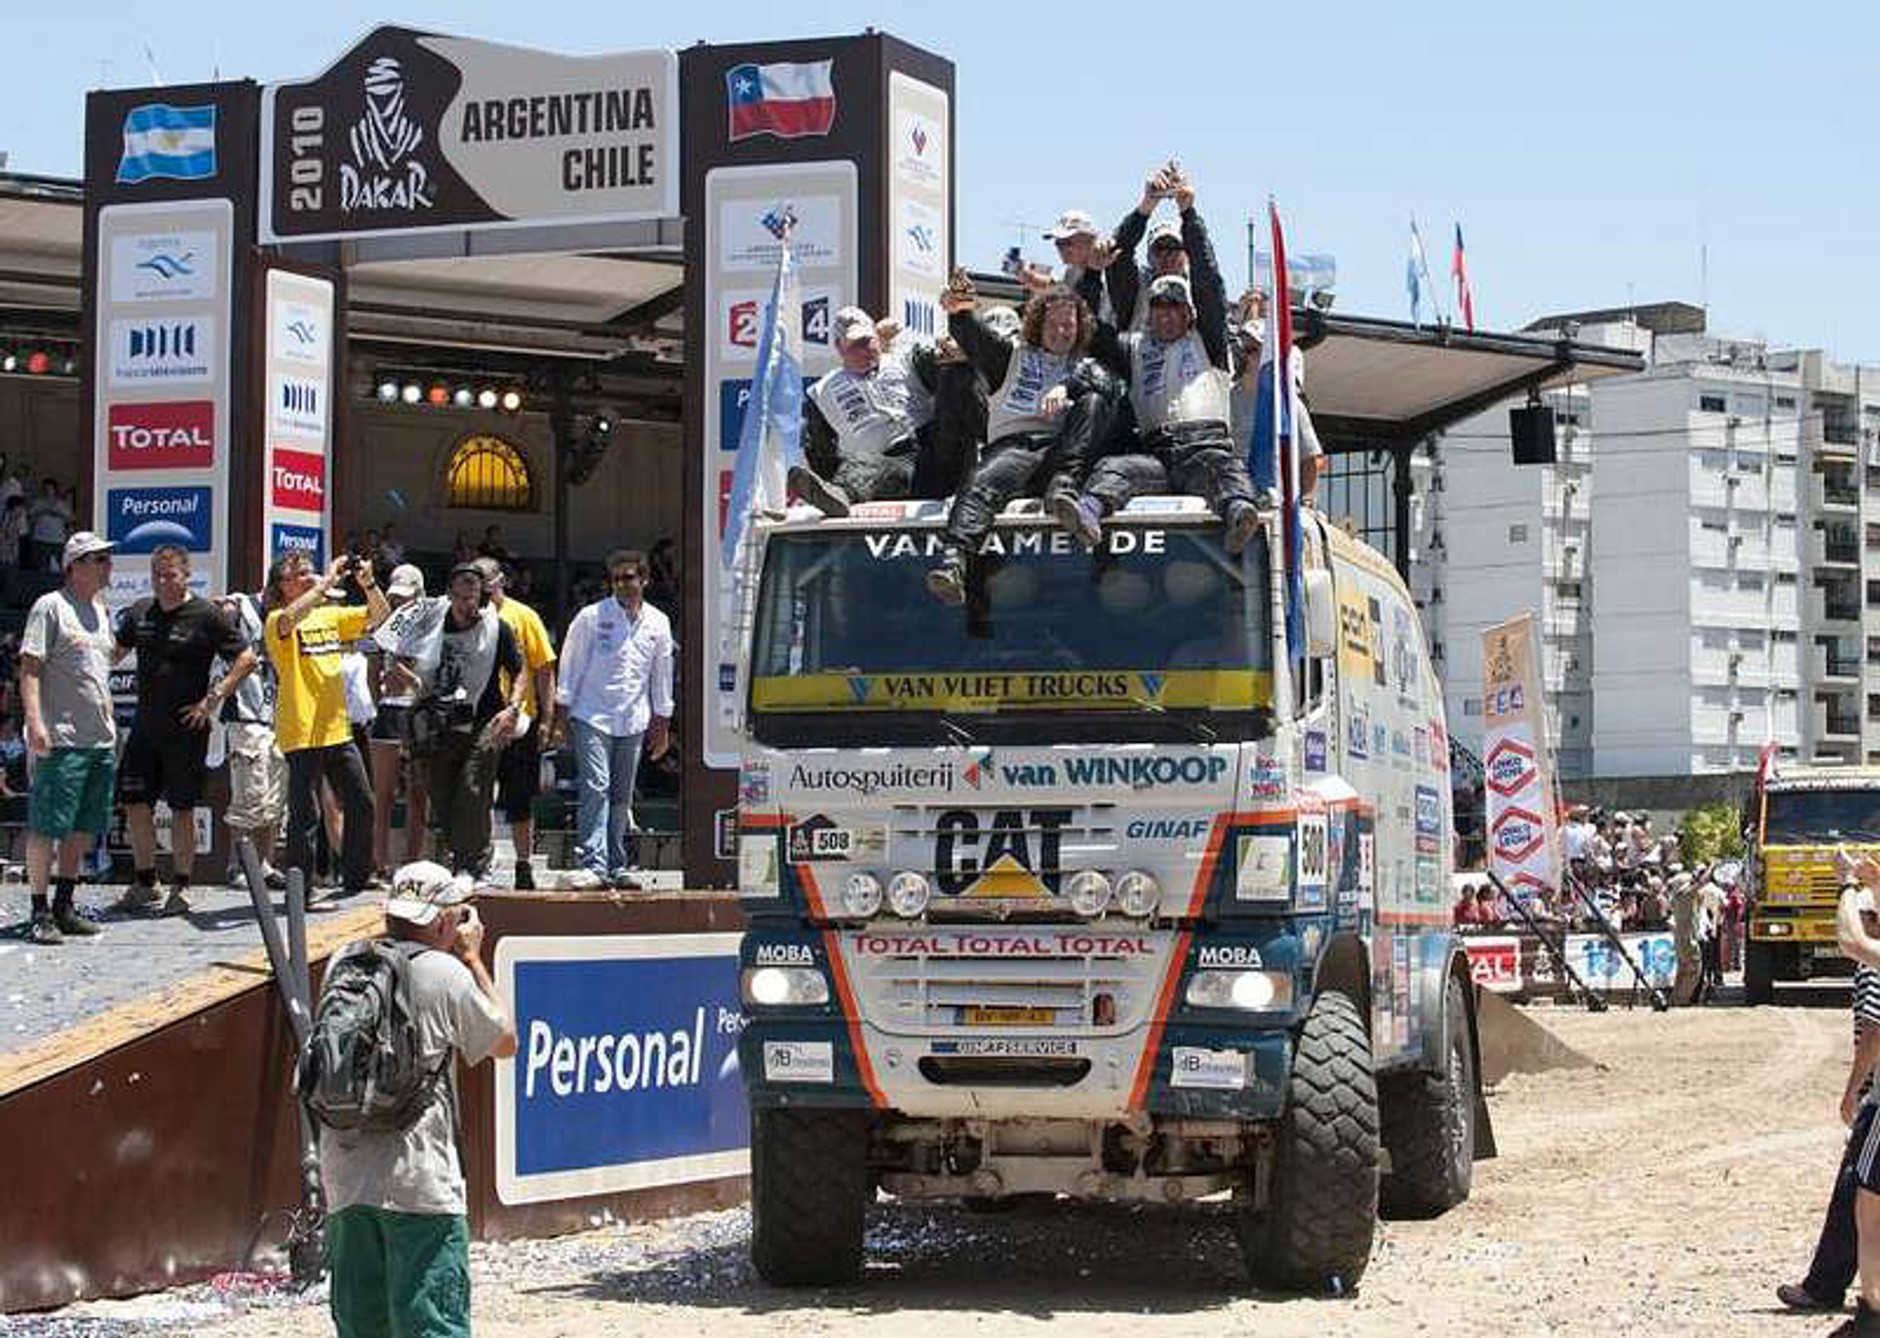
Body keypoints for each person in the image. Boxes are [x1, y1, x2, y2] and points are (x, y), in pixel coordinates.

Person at [319, 860, 517, 1338]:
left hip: (344, 1175)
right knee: (432, 1324)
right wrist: (473, 957)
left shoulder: (343, 962)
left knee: (362, 1326)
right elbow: (505, 1041)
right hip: (419, 1179)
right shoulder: (445, 973)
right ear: (446, 920)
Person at [1069, 177, 1261, 555]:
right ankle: (1087, 515)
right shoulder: (1134, 346)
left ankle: (1240, 516)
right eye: (1158, 308)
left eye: (1175, 307)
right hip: (1155, 453)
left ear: (1190, 313)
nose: (1166, 316)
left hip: (1204, 448)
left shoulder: (1210, 341)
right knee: (1115, 469)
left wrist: (1190, 214)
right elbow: (1089, 328)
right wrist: (1092, 274)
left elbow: (1208, 281)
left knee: (1226, 472)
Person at [925, 273, 1124, 604]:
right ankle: (954, 561)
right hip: (1015, 448)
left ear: (1080, 327)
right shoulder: (1011, 354)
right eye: (1054, 324)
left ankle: (1063, 493)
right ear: (1036, 324)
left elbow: (1114, 389)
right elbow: (974, 336)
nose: (1062, 332)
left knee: (1094, 401)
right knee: (982, 479)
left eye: (1069, 325)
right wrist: (959, 311)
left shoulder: (1088, 365)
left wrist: (1068, 387)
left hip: (1061, 457)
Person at [111, 545, 255, 915]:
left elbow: (246, 658)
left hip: (186, 727)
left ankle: (182, 885)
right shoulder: (141, 610)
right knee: (134, 802)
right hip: (144, 725)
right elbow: (112, 652)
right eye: (157, 574)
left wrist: (213, 699)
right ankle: (146, 882)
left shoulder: (205, 614)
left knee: (183, 808)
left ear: (186, 575)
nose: (162, 582)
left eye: (170, 574)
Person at [1778, 884, 1880, 1315]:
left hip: (1877, 1097)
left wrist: (1854, 1088)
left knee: (1862, 1191)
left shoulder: (1870, 965)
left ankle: (1859, 1297)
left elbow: (1875, 1030)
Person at [266, 552, 390, 900]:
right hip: (301, 730)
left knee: (362, 801)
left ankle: (356, 877)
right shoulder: (277, 618)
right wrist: (327, 581)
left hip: (337, 727)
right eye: (299, 574)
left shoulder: (330, 616)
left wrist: (368, 583)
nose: (308, 577)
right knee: (306, 814)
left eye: (310, 572)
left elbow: (381, 617)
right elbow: (290, 618)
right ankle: (300, 888)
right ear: (282, 586)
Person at [18, 532, 118, 944]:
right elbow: (29, 668)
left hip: (99, 740)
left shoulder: (100, 609)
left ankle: (64, 905)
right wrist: (35, 721)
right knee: (46, 826)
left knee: (81, 828)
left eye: (107, 559)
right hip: (61, 738)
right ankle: (39, 910)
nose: (107, 566)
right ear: (75, 565)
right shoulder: (50, 607)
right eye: (99, 559)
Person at [555, 549, 673, 890]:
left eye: (629, 578)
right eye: (616, 579)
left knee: (622, 793)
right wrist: (561, 716)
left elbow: (662, 674)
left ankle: (616, 863)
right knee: (596, 785)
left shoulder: (658, 622)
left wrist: (662, 724)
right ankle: (592, 861)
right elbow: (571, 664)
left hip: (633, 718)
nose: (622, 585)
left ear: (645, 580)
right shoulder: (591, 617)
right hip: (592, 713)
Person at [413, 565, 525, 876]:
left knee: (472, 788)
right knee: (443, 795)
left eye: (473, 597)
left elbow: (520, 670)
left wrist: (512, 709)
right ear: (449, 595)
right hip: (439, 723)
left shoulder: (497, 628)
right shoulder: (431, 624)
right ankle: (460, 854)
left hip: (484, 720)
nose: (467, 604)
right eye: (460, 597)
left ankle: (472, 864)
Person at [788, 306, 948, 516]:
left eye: (868, 341)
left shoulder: (908, 360)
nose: (865, 350)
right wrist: (830, 479)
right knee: (865, 468)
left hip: (934, 453)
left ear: (877, 337)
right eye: (856, 345)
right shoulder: (821, 392)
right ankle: (837, 495)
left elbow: (951, 384)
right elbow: (820, 451)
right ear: (839, 347)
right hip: (887, 466)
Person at [472, 557, 556, 889]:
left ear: (501, 580)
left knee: (520, 798)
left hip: (520, 721)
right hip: (479, 720)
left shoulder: (523, 616)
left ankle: (524, 865)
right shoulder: (467, 615)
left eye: (487, 582)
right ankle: (479, 862)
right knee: (476, 795)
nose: (481, 589)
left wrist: (549, 719)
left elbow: (544, 669)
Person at [216, 588, 287, 889]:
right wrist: (226, 610)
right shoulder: (242, 607)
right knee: (247, 792)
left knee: (273, 795)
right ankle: (237, 864)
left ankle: (264, 863)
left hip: (275, 712)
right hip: (244, 712)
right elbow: (218, 614)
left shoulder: (289, 616)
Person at [370, 564, 430, 875]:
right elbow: (377, 668)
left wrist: (417, 682)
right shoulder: (383, 624)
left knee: (419, 793)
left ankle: (412, 864)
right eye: (396, 597)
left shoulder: (433, 623)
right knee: (383, 795)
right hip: (390, 711)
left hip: (419, 712)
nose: (400, 602)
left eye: (406, 596)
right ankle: (378, 865)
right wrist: (376, 698)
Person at [26, 477, 72, 573]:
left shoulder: (62, 504)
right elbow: (30, 519)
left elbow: (69, 520)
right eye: (46, 489)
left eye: (50, 489)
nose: (48, 491)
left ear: (55, 490)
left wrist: (58, 514)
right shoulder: (37, 503)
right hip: (40, 538)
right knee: (41, 567)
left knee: (62, 566)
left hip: (57, 539)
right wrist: (41, 512)